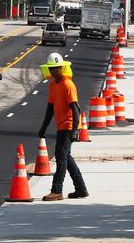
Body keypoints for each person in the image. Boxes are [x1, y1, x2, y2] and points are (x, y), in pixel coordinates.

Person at [38, 52, 88, 201]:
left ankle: (56, 190)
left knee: (60, 156)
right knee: (66, 157)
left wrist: (74, 130)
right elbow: (50, 108)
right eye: (52, 68)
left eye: (57, 68)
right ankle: (80, 188)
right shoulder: (53, 85)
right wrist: (43, 127)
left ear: (62, 68)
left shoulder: (68, 84)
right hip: (60, 126)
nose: (54, 71)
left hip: (68, 126)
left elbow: (75, 109)